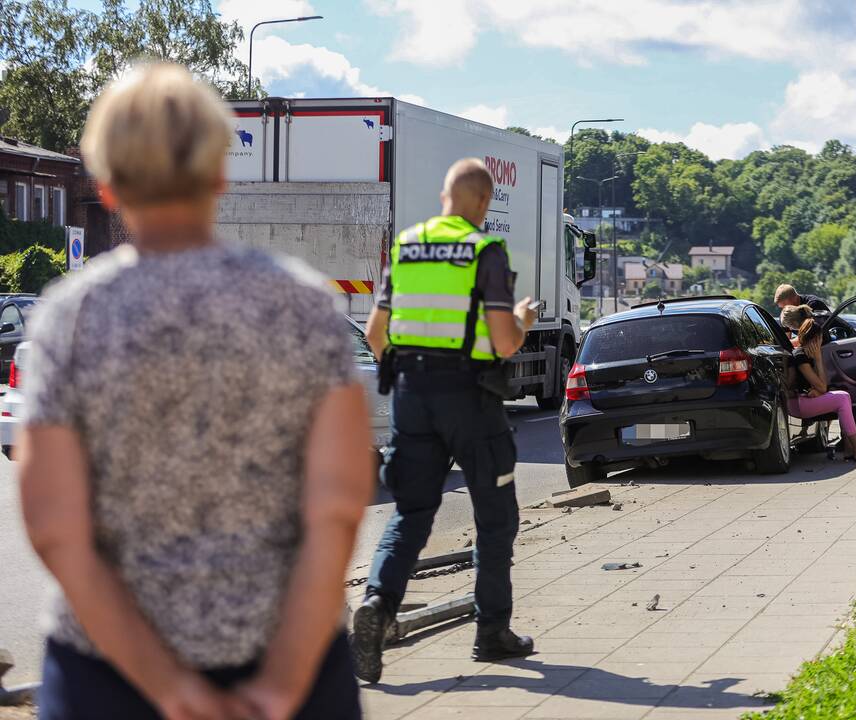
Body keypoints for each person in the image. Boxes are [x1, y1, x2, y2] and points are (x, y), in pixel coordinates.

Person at [19, 63, 374, 720]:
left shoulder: (71, 319)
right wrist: (282, 684)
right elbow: (338, 508)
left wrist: (170, 688)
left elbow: (57, 528)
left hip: (107, 678)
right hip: (291, 666)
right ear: (218, 173)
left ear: (106, 184)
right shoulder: (305, 307)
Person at [352, 158, 539, 684]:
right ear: (483, 201)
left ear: (444, 195)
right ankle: (491, 633)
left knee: (411, 512)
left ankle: (377, 605)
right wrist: (522, 321)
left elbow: (374, 335)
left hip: (411, 394)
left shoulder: (406, 247)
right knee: (494, 515)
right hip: (470, 395)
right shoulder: (485, 251)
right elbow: (504, 343)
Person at [788, 319, 856, 462]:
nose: (819, 342)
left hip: (806, 400)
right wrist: (819, 384)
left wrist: (818, 361)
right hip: (798, 403)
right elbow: (822, 386)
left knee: (844, 396)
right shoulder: (800, 355)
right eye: (818, 338)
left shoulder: (809, 355)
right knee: (842, 398)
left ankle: (850, 447)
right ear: (814, 338)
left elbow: (822, 386)